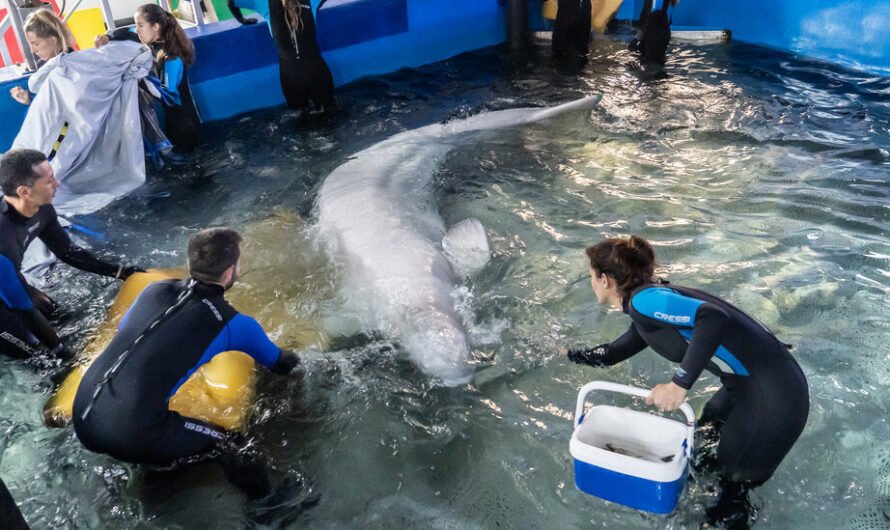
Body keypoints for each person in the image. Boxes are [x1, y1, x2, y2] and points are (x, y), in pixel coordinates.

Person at [566, 235, 809, 528]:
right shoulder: (646, 307)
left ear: (605, 280)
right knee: (706, 437)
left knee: (731, 492)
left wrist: (679, 383)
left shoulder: (645, 301)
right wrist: (566, 354)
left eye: (591, 276)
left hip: (773, 400)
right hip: (752, 387)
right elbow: (613, 353)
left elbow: (712, 317)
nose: (591, 282)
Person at [72, 227, 301, 499]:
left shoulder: (153, 290)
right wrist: (300, 355)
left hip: (82, 415)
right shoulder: (234, 324)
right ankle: (271, 511)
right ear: (229, 272)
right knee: (230, 444)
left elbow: (129, 331)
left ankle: (156, 464)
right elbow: (280, 364)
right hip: (133, 432)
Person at [0, 149, 143, 359]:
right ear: (24, 192)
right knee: (42, 357)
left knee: (62, 319)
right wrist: (64, 354)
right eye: (49, 181)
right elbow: (25, 309)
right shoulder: (3, 240)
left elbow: (67, 252)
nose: (57, 184)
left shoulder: (42, 209)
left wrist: (119, 271)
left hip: (7, 281)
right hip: (5, 286)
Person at [228, 0, 335, 113]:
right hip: (318, 74)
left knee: (302, 120)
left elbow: (230, 2)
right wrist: (316, 7)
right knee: (330, 117)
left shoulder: (264, 3)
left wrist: (242, 20)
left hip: (291, 80)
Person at [132, 4, 201, 154]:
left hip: (185, 124)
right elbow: (129, 33)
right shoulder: (154, 44)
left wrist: (143, 79)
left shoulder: (172, 57)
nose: (137, 30)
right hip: (174, 120)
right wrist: (108, 37)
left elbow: (169, 95)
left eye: (140, 26)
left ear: (155, 26)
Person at [9, 9, 77, 106]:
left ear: (53, 40)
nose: (32, 50)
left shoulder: (72, 67)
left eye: (36, 44)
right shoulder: (43, 65)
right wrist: (29, 100)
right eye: (30, 45)